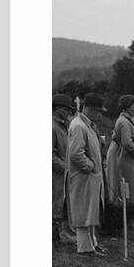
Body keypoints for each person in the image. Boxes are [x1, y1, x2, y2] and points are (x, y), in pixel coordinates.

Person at [66, 92, 108, 256]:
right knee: (83, 211)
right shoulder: (78, 126)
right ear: (89, 108)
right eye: (98, 111)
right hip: (83, 176)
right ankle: (85, 248)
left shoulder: (87, 125)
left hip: (91, 177)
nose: (99, 114)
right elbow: (76, 153)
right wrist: (91, 166)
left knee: (91, 211)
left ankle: (93, 244)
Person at [52, 93, 77, 244]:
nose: (69, 112)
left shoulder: (63, 125)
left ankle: (62, 237)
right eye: (67, 109)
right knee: (55, 206)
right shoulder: (52, 126)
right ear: (57, 108)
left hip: (64, 174)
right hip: (56, 174)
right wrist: (65, 167)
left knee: (62, 206)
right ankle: (57, 239)